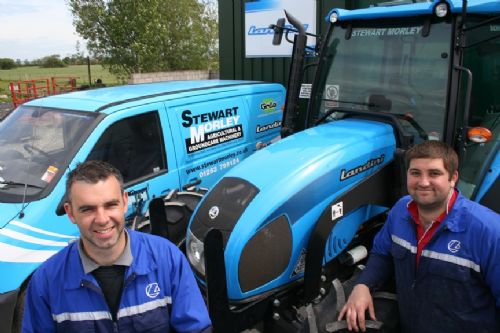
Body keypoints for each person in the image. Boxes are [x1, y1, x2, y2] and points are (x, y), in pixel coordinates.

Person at [22, 160, 212, 333]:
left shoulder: (167, 260)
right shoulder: (46, 282)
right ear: (70, 213)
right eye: (88, 209)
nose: (102, 219)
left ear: (124, 202)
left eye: (110, 205)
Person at [338, 140, 500, 333]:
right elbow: (383, 253)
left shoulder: (489, 231)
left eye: (434, 173)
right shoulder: (400, 211)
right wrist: (363, 285)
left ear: (453, 177)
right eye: (415, 173)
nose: (423, 182)